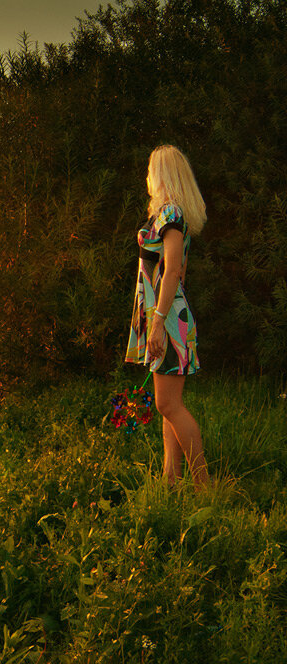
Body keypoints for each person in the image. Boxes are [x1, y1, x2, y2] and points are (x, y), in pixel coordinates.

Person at [125, 145, 211, 490]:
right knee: (168, 404)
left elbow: (174, 270)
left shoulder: (171, 215)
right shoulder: (166, 215)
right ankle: (170, 481)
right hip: (165, 315)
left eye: (150, 170)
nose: (147, 177)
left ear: (159, 175)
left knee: (167, 404)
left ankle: (205, 486)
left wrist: (159, 321)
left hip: (168, 317)